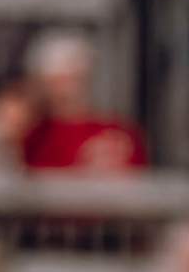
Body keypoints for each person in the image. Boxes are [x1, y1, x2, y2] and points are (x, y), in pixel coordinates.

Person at [17, 32, 148, 173]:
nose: (65, 87)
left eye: (71, 77)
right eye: (57, 80)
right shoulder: (33, 135)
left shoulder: (117, 134)